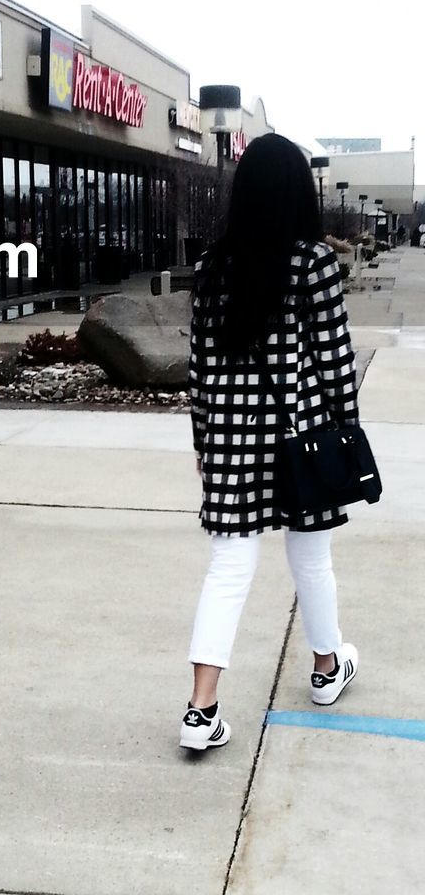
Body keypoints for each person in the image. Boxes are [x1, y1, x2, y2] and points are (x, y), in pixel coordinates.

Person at [181, 133, 360, 751]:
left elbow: (200, 370)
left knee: (228, 567)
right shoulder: (313, 263)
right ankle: (326, 669)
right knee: (312, 558)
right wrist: (346, 430)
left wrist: (205, 442)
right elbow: (335, 363)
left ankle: (201, 711)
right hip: (301, 435)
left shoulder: (211, 266)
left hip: (231, 437)